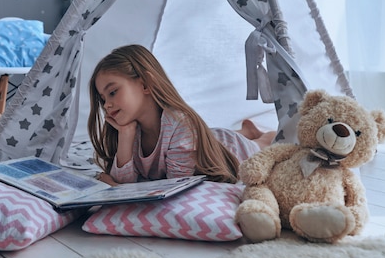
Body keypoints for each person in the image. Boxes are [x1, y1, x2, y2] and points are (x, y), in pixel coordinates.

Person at [87, 44, 275, 186]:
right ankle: (246, 130)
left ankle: (254, 135)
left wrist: (113, 184)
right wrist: (125, 135)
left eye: (112, 92)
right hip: (200, 139)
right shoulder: (131, 128)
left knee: (264, 145)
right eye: (103, 99)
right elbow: (125, 183)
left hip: (230, 146)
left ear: (145, 84)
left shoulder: (180, 125)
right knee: (205, 136)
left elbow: (174, 187)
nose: (107, 105)